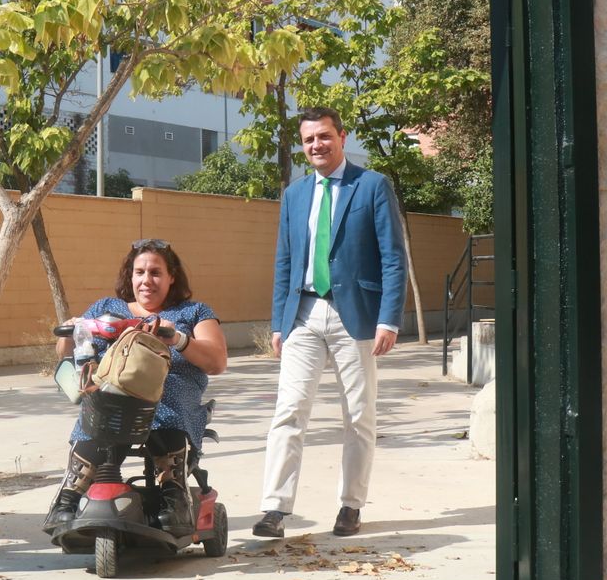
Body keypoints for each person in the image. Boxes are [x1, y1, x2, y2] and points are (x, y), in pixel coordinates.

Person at [254, 106, 406, 539]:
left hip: (355, 315)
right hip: (303, 313)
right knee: (289, 411)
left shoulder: (373, 186)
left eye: (324, 136)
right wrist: (279, 322)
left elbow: (393, 258)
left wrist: (389, 320)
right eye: (309, 140)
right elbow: (284, 260)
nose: (316, 145)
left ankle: (350, 505)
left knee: (359, 416)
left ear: (342, 136)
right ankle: (274, 509)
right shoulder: (294, 194)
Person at [43, 239, 227, 534]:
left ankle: (175, 495)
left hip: (170, 406)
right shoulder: (106, 309)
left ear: (172, 277)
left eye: (155, 272)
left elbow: (217, 362)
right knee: (99, 415)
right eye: (139, 272)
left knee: (164, 413)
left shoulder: (193, 313)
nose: (146, 280)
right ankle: (67, 497)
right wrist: (72, 330)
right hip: (112, 407)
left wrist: (178, 339)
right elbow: (64, 352)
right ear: (130, 276)